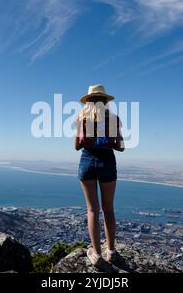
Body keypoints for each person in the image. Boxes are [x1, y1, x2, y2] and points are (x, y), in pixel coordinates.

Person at [75, 84, 125, 266]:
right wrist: (108, 141)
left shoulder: (82, 119)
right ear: (105, 101)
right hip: (107, 163)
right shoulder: (113, 119)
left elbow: (77, 146)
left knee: (92, 210)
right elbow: (120, 147)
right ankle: (111, 251)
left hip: (87, 161)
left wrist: (87, 140)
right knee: (108, 209)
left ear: (88, 102)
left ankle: (96, 254)